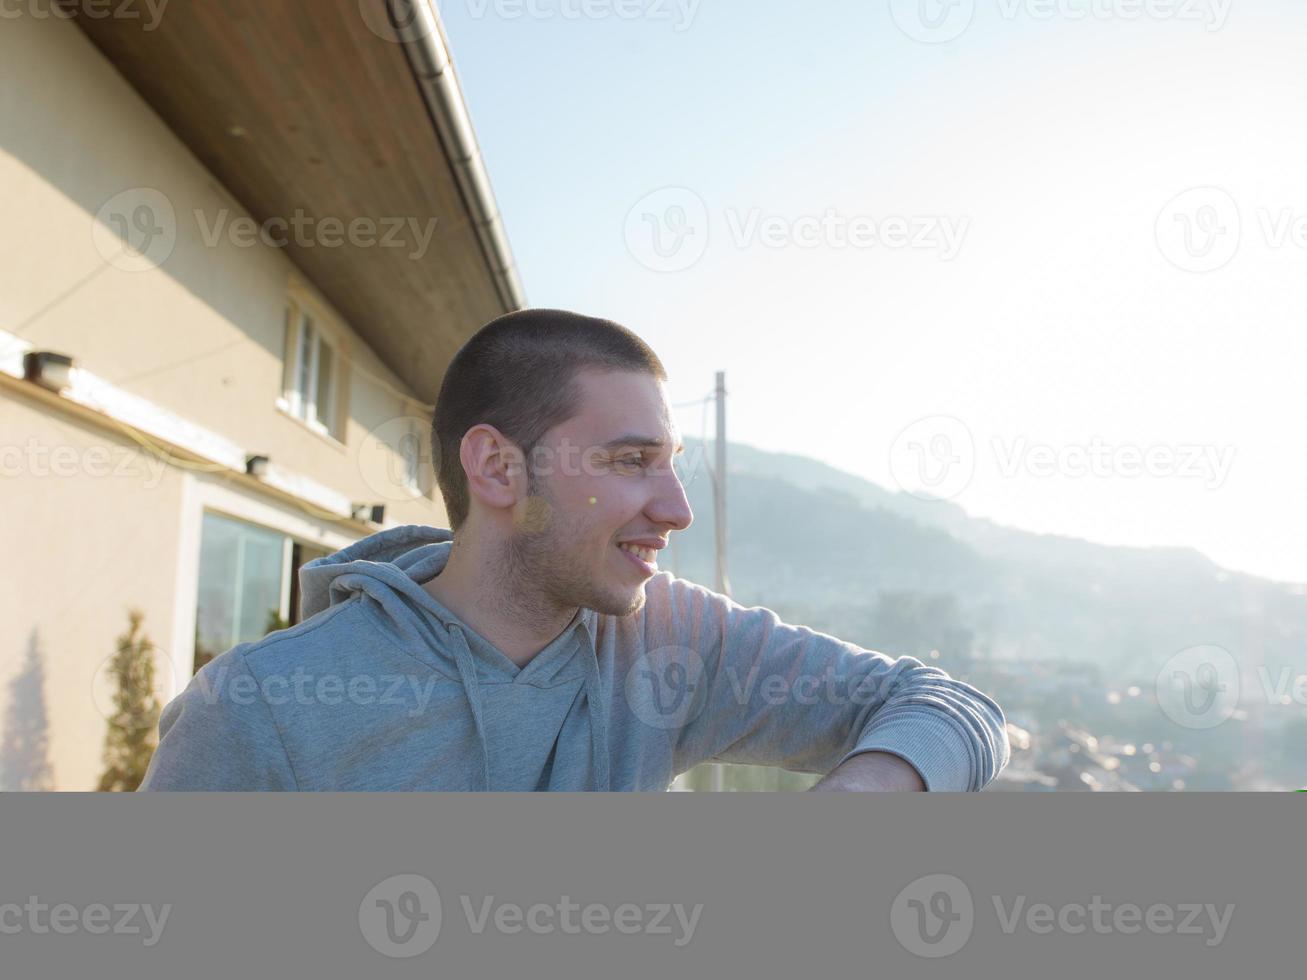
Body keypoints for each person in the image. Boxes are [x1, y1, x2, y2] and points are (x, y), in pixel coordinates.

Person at [140, 309, 1009, 791]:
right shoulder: (259, 709)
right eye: (630, 462)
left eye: (670, 465)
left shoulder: (669, 642)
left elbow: (948, 706)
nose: (674, 510)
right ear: (497, 467)